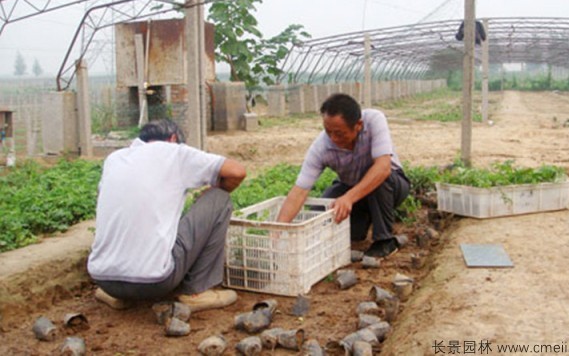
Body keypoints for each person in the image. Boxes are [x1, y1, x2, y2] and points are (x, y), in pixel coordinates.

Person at [87, 119, 246, 311]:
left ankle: (116, 295)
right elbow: (237, 172)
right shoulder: (174, 152)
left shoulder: (115, 158)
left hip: (104, 281)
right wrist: (216, 188)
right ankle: (197, 292)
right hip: (155, 282)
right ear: (172, 139)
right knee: (218, 199)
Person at [277, 93, 410, 258]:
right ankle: (362, 222)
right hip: (354, 190)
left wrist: (348, 198)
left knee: (379, 178)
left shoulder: (374, 120)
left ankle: (385, 240)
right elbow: (300, 191)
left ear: (358, 125)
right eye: (328, 131)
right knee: (325, 206)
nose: (333, 138)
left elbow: (383, 168)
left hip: (391, 186)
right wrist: (277, 230)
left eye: (339, 133)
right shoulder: (321, 147)